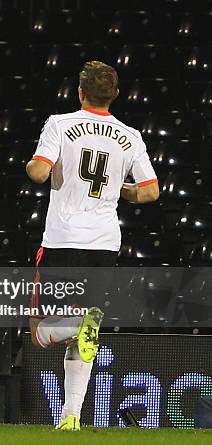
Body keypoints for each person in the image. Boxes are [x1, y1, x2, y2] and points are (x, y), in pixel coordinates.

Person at [26, 61, 159, 431]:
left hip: (63, 240)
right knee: (85, 335)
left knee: (40, 332)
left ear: (79, 92)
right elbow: (150, 191)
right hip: (104, 244)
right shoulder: (130, 135)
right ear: (114, 95)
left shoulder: (60, 123)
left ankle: (76, 330)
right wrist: (121, 190)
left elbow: (38, 171)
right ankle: (71, 418)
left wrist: (40, 168)